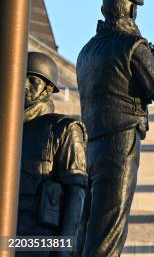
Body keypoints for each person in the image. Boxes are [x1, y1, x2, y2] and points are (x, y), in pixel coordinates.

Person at [76, 0, 154, 256]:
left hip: (91, 146)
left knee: (87, 228)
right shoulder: (134, 46)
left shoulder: (86, 51)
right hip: (121, 141)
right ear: (133, 13)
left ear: (103, 7)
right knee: (110, 228)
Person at [18, 52, 87, 257]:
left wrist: (63, 249)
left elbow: (76, 194)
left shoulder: (64, 128)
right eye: (22, 78)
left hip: (38, 242)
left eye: (33, 80)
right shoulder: (8, 131)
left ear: (48, 89)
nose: (26, 85)